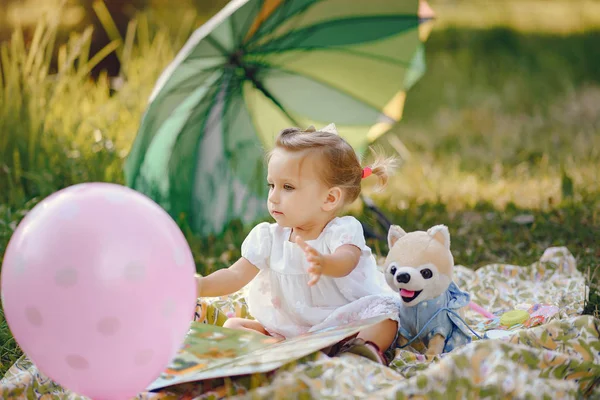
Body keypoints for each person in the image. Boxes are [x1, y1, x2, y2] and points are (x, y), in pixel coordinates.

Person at [195, 123, 401, 364]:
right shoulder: (268, 237)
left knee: (387, 315)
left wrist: (325, 263)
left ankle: (361, 350)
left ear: (329, 198)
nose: (273, 196)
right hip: (289, 330)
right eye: (272, 185)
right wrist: (201, 286)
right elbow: (235, 275)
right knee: (233, 325)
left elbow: (347, 260)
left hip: (343, 324)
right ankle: (284, 350)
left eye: (288, 187)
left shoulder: (342, 230)